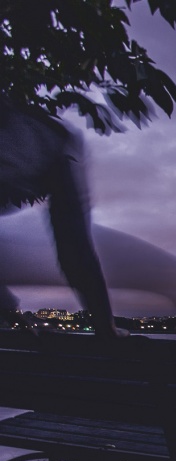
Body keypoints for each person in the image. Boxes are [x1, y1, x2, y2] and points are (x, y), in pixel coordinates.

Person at [0, 97, 120, 337]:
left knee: (73, 245)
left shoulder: (46, 147)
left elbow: (76, 251)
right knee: (74, 245)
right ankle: (105, 327)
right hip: (40, 148)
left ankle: (105, 327)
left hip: (48, 149)